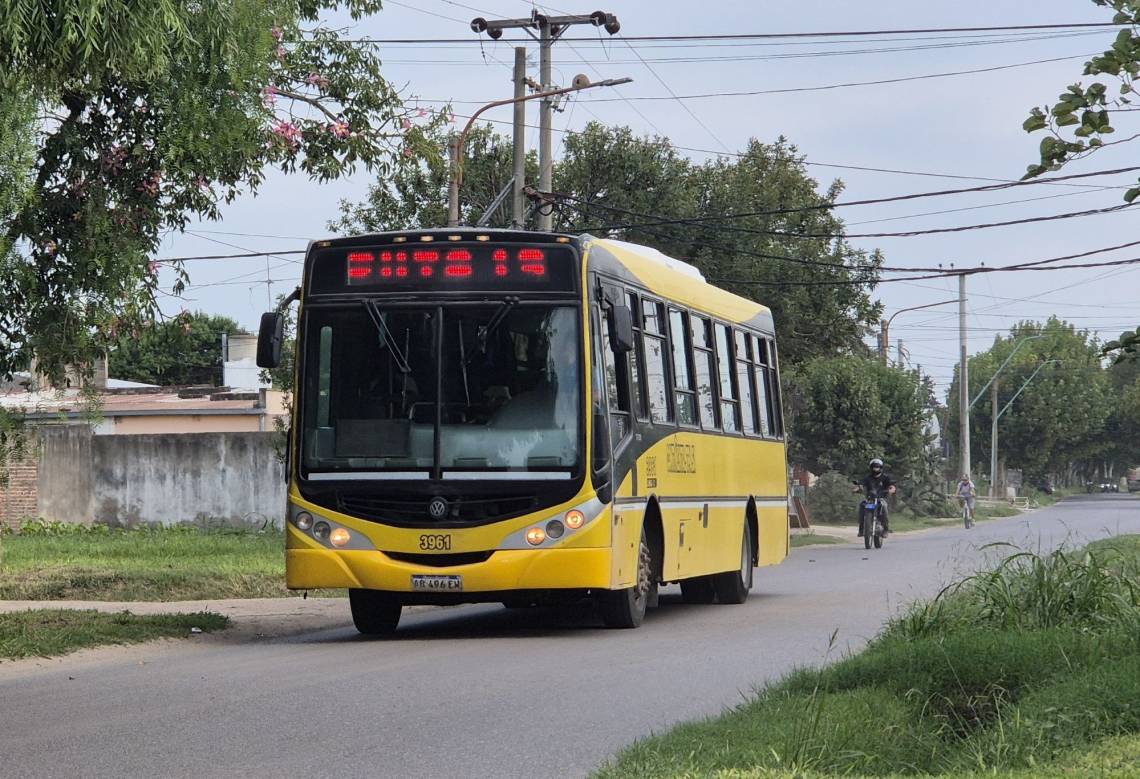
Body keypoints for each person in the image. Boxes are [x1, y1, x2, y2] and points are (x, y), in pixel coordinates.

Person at [852, 458, 896, 537]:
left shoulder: (885, 477)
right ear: (871, 468)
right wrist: (856, 489)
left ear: (881, 468)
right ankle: (861, 529)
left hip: (881, 498)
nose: (876, 469)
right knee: (862, 506)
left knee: (884, 507)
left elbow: (892, 486)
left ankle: (885, 529)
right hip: (870, 499)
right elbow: (861, 484)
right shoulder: (867, 478)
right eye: (874, 467)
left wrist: (891, 490)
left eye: (877, 467)